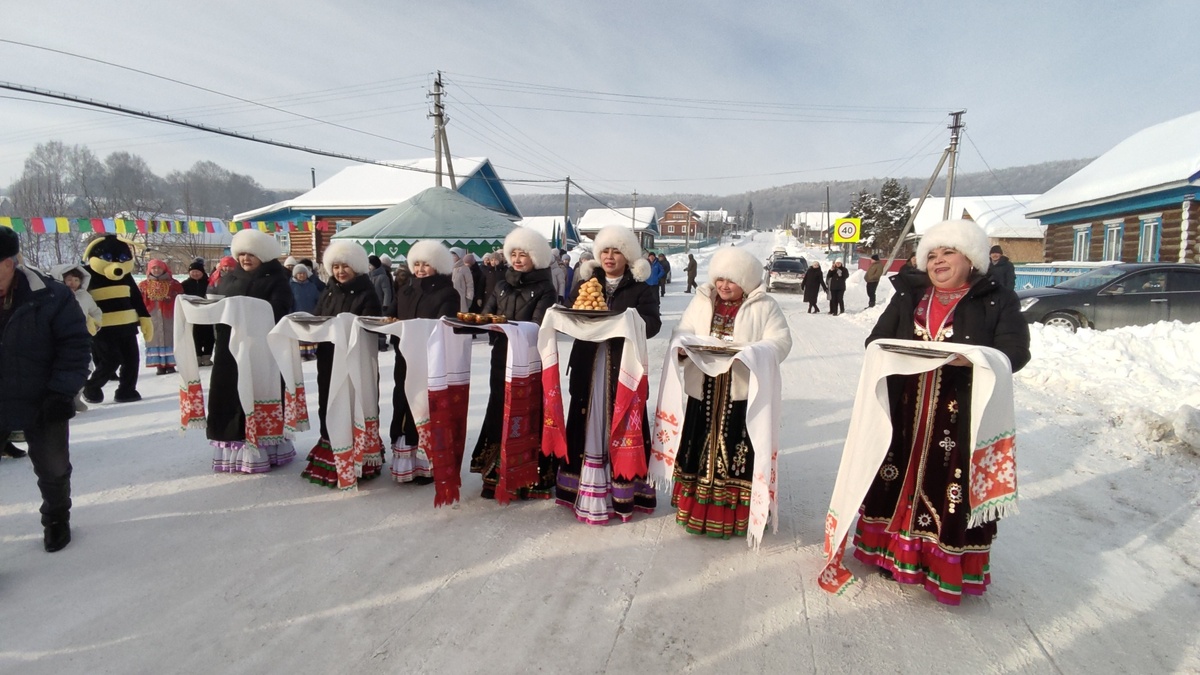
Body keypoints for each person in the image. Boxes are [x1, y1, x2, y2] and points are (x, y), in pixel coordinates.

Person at [852, 219, 1031, 605]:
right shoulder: (909, 296)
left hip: (961, 413)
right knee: (894, 476)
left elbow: (1015, 352)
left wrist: (974, 361)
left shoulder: (996, 299)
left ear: (971, 259)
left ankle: (941, 565)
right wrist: (895, 352)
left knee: (947, 486)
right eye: (931, 255)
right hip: (906, 409)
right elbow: (876, 340)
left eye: (948, 252)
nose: (937, 261)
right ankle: (889, 552)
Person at [665, 247, 792, 539]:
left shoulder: (764, 306)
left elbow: (781, 342)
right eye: (720, 278)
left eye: (732, 281)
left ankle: (735, 515)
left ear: (746, 282)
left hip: (740, 392)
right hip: (704, 388)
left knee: (738, 448)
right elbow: (682, 330)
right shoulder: (701, 300)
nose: (724, 285)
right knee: (698, 444)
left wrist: (753, 353)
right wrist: (683, 347)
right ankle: (695, 509)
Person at [556, 225, 661, 524]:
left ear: (627, 255)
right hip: (588, 362)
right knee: (585, 419)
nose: (610, 257)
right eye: (605, 251)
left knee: (622, 420)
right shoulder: (588, 280)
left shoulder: (641, 287)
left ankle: (624, 493)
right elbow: (572, 312)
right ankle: (582, 490)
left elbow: (653, 324)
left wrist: (630, 321)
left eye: (616, 251)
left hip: (622, 364)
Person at [0, 226, 91, 552]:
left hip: (42, 396)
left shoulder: (51, 295)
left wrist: (60, 392)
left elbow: (76, 346)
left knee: (53, 466)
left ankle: (56, 516)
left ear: (12, 262)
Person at [471, 227, 558, 500]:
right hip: (501, 357)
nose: (518, 259)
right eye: (514, 254)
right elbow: (487, 316)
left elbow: (540, 325)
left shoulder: (546, 288)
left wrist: (508, 327)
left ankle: (530, 476)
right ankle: (495, 474)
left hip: (530, 360)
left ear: (536, 257)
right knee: (499, 407)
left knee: (526, 410)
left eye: (524, 254)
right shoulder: (500, 285)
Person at [209, 229, 295, 473]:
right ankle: (232, 444)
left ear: (263, 256)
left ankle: (263, 448)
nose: (246, 259)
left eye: (252, 254)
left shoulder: (277, 279)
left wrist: (247, 310)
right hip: (229, 348)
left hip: (261, 348)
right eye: (242, 254)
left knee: (257, 391)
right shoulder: (229, 278)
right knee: (229, 393)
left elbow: (279, 309)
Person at [300, 242, 385, 488]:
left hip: (355, 359)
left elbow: (372, 325)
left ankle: (359, 455)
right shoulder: (328, 291)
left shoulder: (366, 292)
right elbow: (319, 318)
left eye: (344, 266)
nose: (340, 272)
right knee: (330, 400)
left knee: (354, 401)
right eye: (335, 267)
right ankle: (332, 447)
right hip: (328, 358)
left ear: (356, 267)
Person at [388, 240, 459, 484]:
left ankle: (427, 464)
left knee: (426, 406)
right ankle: (405, 461)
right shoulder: (405, 290)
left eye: (425, 264)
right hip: (404, 357)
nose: (419, 269)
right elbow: (393, 314)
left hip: (431, 359)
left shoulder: (448, 292)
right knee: (404, 402)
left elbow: (446, 325)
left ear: (437, 265)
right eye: (416, 264)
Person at [138, 259, 184, 375]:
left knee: (170, 337)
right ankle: (159, 365)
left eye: (159, 268)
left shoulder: (174, 284)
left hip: (169, 316)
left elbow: (181, 299)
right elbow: (138, 301)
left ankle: (170, 364)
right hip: (152, 316)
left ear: (164, 269)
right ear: (149, 270)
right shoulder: (144, 285)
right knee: (154, 339)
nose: (156, 270)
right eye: (154, 268)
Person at [181, 260, 215, 367]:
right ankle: (197, 356)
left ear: (202, 272)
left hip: (208, 313)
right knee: (195, 335)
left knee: (209, 335)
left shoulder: (209, 283)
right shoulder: (184, 284)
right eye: (193, 271)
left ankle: (207, 357)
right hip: (193, 314)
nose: (195, 273)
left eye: (198, 271)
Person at [290, 263, 321, 361]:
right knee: (300, 335)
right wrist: (290, 313)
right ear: (295, 275)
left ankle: (311, 353)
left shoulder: (311, 286)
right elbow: (289, 301)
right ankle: (302, 354)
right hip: (297, 313)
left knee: (310, 334)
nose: (302, 276)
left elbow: (318, 299)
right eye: (299, 274)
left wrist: (317, 311)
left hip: (310, 313)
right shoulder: (291, 286)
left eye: (303, 273)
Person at [450, 247, 474, 313]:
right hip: (449, 298)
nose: (452, 257)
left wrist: (469, 298)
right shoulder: (448, 268)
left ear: (459, 256)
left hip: (461, 299)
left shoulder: (464, 268)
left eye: (454, 255)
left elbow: (469, 284)